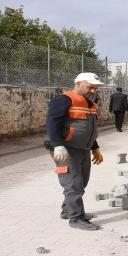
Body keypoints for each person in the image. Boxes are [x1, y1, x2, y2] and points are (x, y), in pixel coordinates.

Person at [45, 72, 105, 231]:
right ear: (78, 84)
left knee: (81, 182)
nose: (93, 91)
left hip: (83, 149)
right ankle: (76, 218)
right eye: (90, 86)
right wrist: (58, 145)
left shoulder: (90, 104)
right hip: (66, 149)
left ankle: (68, 210)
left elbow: (88, 129)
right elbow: (52, 123)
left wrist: (95, 148)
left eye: (95, 88)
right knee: (73, 184)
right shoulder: (63, 100)